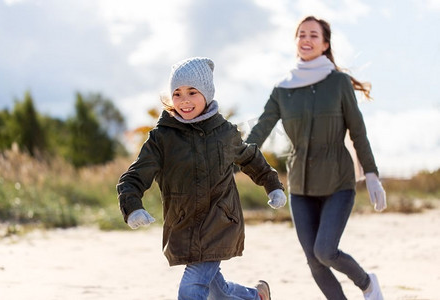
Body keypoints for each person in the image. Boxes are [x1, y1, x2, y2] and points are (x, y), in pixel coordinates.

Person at [117, 57, 287, 300]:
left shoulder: (224, 132)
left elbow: (250, 158)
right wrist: (132, 205)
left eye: (192, 92)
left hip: (220, 222)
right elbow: (135, 174)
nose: (184, 100)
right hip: (184, 224)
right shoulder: (162, 138)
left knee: (191, 289)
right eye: (177, 93)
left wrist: (273, 186)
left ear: (206, 93)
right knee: (218, 293)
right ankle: (257, 297)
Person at [245, 16, 387, 300]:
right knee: (313, 260)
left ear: (325, 44)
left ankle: (367, 283)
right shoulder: (282, 89)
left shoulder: (339, 83)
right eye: (301, 35)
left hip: (338, 182)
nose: (306, 39)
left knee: (325, 251)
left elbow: (358, 131)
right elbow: (260, 129)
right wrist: (235, 158)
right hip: (300, 187)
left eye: (313, 35)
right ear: (296, 42)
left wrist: (371, 174)